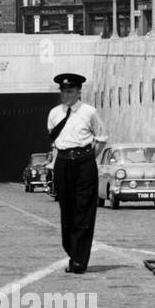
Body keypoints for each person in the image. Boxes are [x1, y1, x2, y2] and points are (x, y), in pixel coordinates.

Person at [47, 72, 107, 274]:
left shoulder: (89, 112)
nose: (66, 95)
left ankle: (80, 260)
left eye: (70, 91)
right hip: (63, 162)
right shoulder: (54, 113)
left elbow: (101, 138)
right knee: (67, 209)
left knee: (84, 210)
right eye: (63, 91)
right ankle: (72, 253)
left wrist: (88, 158)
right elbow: (53, 138)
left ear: (79, 92)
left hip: (83, 162)